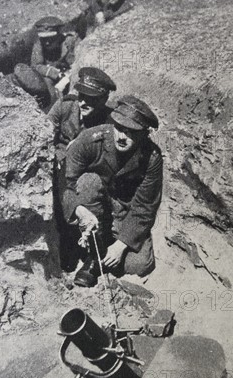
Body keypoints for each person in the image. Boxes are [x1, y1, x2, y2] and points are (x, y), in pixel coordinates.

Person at [62, 95, 163, 287]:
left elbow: (145, 206)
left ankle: (106, 247)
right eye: (118, 128)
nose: (121, 137)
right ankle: (93, 254)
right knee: (88, 182)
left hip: (122, 210)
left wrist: (121, 245)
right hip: (91, 204)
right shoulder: (89, 140)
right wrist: (78, 210)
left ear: (144, 134)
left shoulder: (152, 158)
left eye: (131, 132)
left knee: (139, 265)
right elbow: (66, 184)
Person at [48, 67, 117, 271]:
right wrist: (61, 155)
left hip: (85, 174)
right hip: (57, 166)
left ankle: (94, 254)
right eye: (82, 96)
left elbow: (109, 163)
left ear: (104, 99)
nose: (84, 103)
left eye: (92, 99)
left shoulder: (110, 121)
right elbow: (41, 137)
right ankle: (65, 241)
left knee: (90, 186)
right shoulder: (65, 106)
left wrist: (81, 151)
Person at [13, 16, 76, 108]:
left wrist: (67, 77)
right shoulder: (39, 43)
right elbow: (36, 65)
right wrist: (55, 73)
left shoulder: (68, 42)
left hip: (68, 75)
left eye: (51, 39)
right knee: (47, 83)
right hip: (53, 76)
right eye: (44, 39)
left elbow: (77, 64)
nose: (47, 43)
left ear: (59, 35)